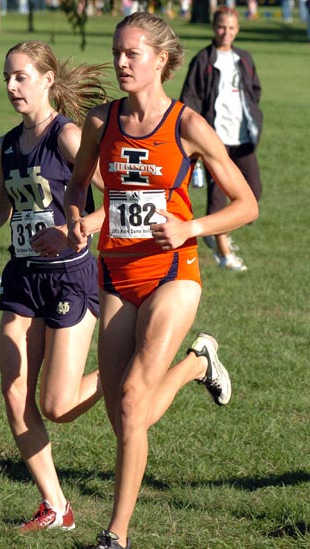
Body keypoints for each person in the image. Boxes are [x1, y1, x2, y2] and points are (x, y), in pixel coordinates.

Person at [64, 12, 259, 549]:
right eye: (117, 52)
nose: (122, 62)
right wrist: (77, 219)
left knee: (131, 403)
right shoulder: (101, 122)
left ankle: (116, 535)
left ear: (161, 60)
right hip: (115, 275)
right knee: (127, 417)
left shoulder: (188, 126)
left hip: (175, 274)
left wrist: (190, 225)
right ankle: (199, 364)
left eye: (133, 53)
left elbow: (247, 205)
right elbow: (79, 185)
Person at [0, 40, 108, 531]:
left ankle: (129, 368)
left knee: (57, 406)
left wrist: (77, 228)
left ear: (47, 80)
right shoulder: (5, 145)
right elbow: (0, 207)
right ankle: (56, 506)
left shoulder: (69, 137)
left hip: (69, 276)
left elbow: (115, 199)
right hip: (23, 278)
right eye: (7, 78)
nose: (12, 86)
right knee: (15, 394)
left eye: (21, 77)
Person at [180, 6, 262, 272]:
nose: (225, 32)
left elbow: (254, 90)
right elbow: (189, 99)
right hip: (216, 139)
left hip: (243, 137)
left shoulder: (245, 58)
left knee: (253, 192)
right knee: (218, 197)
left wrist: (252, 116)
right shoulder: (203, 60)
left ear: (237, 29)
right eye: (221, 27)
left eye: (231, 28)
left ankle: (218, 233)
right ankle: (223, 251)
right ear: (214, 28)